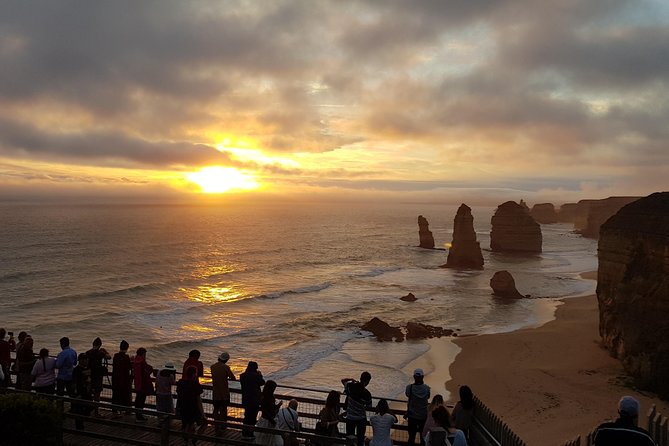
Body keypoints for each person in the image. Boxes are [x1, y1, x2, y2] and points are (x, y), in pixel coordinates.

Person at [342, 371, 373, 446]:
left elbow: (343, 380)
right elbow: (369, 407)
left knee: (350, 438)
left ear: (360, 378)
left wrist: (351, 379)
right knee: (360, 439)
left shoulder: (350, 386)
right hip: (361, 418)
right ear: (367, 381)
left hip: (350, 417)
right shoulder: (367, 394)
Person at [210, 351, 237, 434]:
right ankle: (222, 426)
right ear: (226, 360)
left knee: (216, 409)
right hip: (224, 393)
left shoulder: (212, 367)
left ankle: (216, 426)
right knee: (223, 410)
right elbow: (233, 378)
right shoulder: (226, 367)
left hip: (215, 392)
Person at [177, 366, 203, 445]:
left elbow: (179, 396)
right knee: (202, 423)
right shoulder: (195, 384)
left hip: (183, 407)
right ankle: (194, 437)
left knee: (186, 424)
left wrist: (177, 408)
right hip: (193, 408)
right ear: (194, 374)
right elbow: (198, 400)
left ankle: (186, 440)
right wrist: (202, 413)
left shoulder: (180, 382)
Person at [240, 361, 265, 439]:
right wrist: (260, 375)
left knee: (247, 416)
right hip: (254, 399)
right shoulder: (256, 376)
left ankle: (244, 433)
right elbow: (262, 382)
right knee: (252, 417)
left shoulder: (242, 376)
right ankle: (250, 434)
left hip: (246, 398)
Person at [86, 337, 111, 413]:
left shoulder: (88, 352)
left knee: (88, 394)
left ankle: (88, 410)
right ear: (100, 345)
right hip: (98, 376)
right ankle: (96, 412)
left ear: (93, 344)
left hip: (89, 375)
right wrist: (105, 352)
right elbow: (109, 357)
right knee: (97, 395)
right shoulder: (100, 353)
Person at [406, 368, 430, 446]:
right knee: (423, 438)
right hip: (423, 416)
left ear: (414, 377)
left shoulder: (409, 388)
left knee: (411, 438)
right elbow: (428, 397)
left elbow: (407, 395)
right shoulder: (427, 388)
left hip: (412, 416)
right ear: (422, 377)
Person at [255, 379, 283, 446]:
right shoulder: (265, 398)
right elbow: (265, 410)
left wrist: (278, 406)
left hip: (269, 419)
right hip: (267, 420)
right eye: (273, 388)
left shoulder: (269, 397)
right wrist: (272, 420)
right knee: (268, 437)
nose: (274, 390)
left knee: (268, 438)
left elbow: (271, 409)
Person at [133, 347, 155, 423]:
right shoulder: (142, 362)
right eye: (145, 354)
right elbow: (147, 371)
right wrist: (151, 368)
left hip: (137, 383)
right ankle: (139, 416)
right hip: (143, 384)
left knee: (138, 399)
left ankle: (137, 415)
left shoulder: (135, 361)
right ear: (143, 354)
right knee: (141, 400)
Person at [72, 352, 93, 430]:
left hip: (87, 392)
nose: (86, 361)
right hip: (80, 393)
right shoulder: (76, 370)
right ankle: (79, 427)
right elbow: (74, 383)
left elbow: (90, 379)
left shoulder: (87, 368)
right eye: (84, 360)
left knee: (90, 407)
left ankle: (81, 420)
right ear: (80, 360)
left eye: (87, 359)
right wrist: (76, 393)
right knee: (79, 410)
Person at [111, 340, 133, 412]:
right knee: (124, 395)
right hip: (124, 380)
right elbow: (129, 367)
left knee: (115, 395)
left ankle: (115, 411)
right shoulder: (126, 357)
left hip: (115, 378)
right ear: (127, 348)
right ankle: (125, 410)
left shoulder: (115, 356)